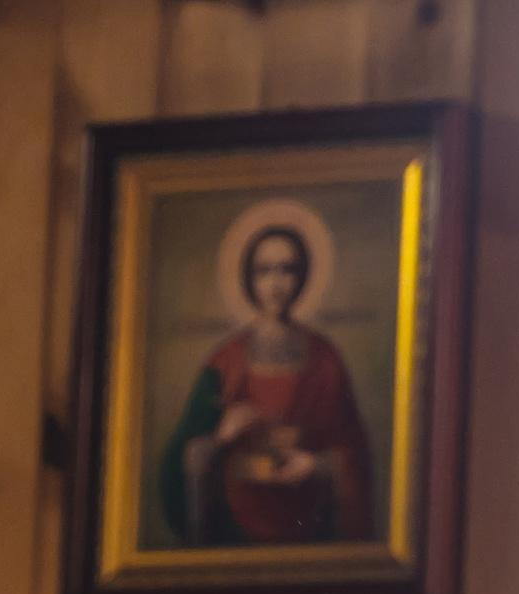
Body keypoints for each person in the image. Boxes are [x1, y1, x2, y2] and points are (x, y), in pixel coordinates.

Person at [157, 221, 377, 546]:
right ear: (249, 279)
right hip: (233, 530)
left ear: (302, 277)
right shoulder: (225, 362)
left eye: (286, 269)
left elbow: (355, 456)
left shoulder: (325, 359)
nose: (276, 283)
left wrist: (317, 466)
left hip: (307, 528)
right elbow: (180, 460)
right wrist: (220, 437)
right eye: (264, 271)